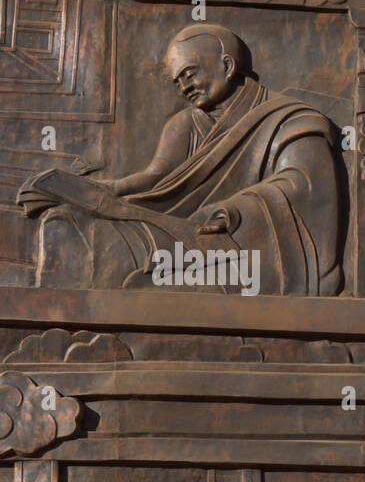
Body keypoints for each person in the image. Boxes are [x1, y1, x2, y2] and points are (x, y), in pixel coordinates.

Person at [18, 23, 343, 295]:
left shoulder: (289, 121)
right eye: (177, 81)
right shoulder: (185, 123)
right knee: (67, 222)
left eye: (189, 74)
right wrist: (109, 190)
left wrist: (233, 210)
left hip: (243, 242)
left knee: (124, 259)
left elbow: (304, 189)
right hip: (176, 226)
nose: (183, 86)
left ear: (227, 67)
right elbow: (157, 176)